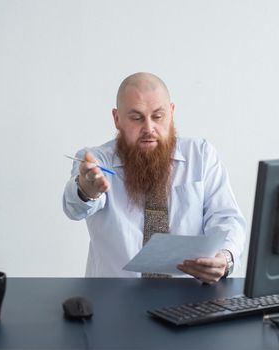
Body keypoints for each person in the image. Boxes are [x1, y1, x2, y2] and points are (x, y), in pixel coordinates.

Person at [63, 72, 246, 284]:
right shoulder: (96, 161)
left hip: (190, 297)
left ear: (171, 112)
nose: (149, 128)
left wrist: (225, 258)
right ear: (117, 119)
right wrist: (86, 191)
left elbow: (227, 219)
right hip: (114, 298)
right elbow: (74, 208)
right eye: (136, 118)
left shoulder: (202, 155)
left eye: (158, 116)